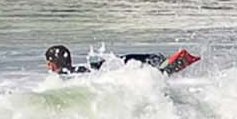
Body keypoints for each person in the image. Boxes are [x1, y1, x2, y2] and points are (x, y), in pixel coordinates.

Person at [44, 44, 199, 76]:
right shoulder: (76, 69)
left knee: (129, 64)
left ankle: (164, 65)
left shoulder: (63, 75)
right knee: (128, 60)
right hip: (102, 68)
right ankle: (159, 59)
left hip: (104, 72)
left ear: (52, 63)